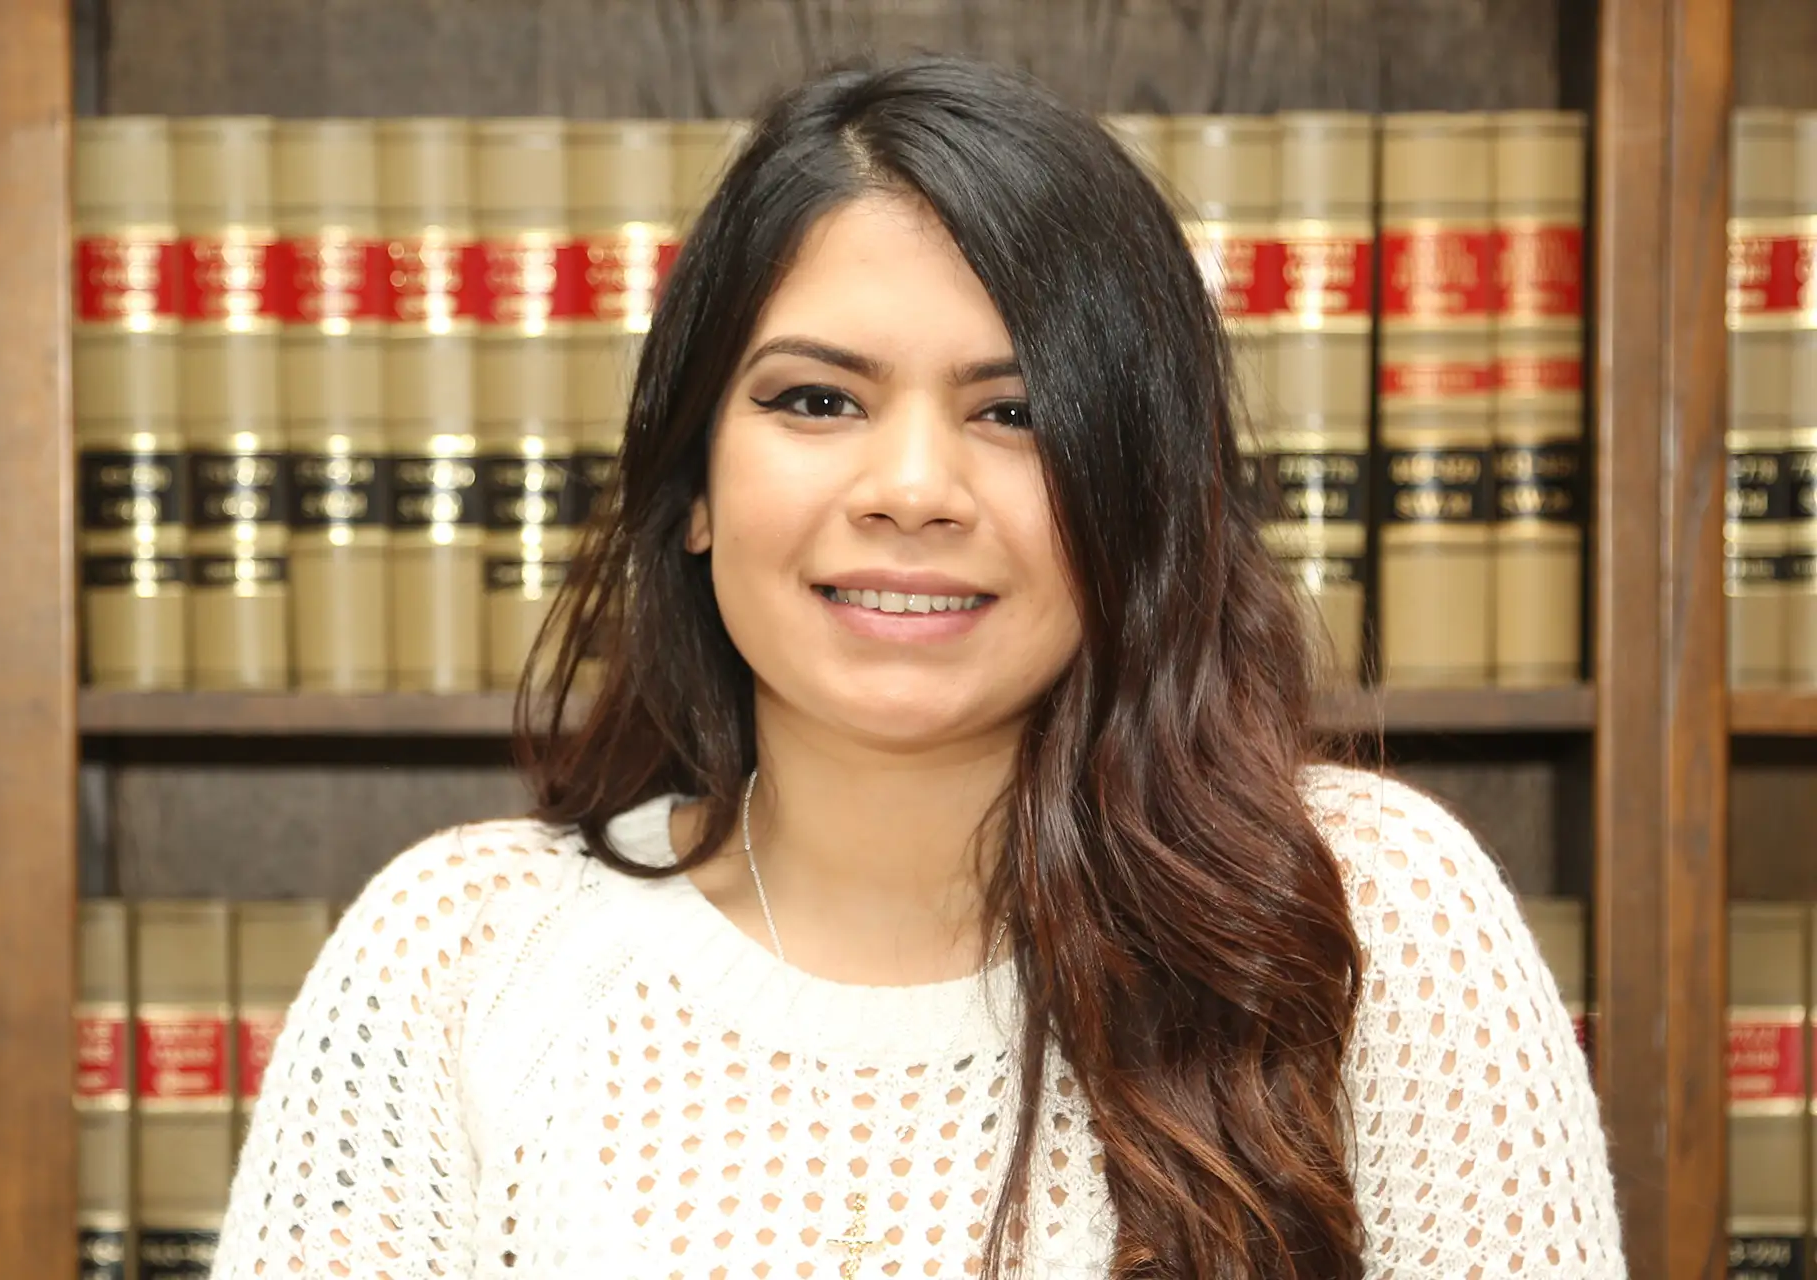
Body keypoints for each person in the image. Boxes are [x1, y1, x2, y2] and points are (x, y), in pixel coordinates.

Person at [213, 55, 1624, 1280]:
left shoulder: (1368, 919)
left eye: (1012, 411)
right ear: (694, 483)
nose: (910, 488)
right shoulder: (463, 957)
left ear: (1135, 489)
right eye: (815, 399)